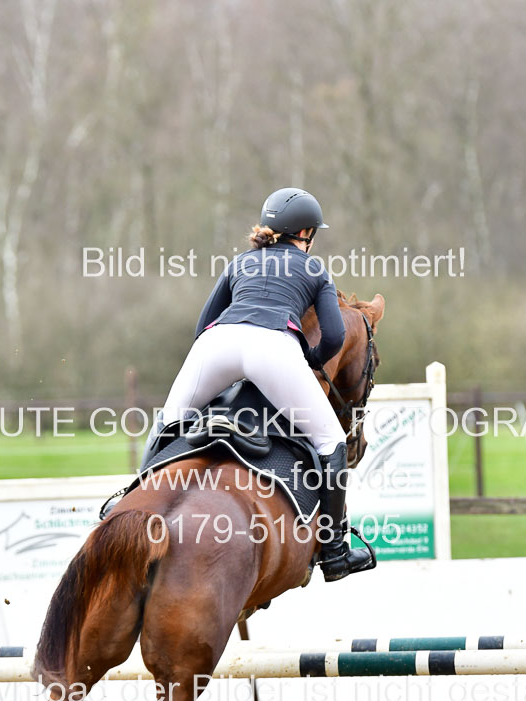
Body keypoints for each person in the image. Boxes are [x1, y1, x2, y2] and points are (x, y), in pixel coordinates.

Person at [140, 187, 375, 582]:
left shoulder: (240, 262)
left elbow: (203, 325)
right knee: (332, 441)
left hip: (216, 343)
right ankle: (335, 551)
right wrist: (310, 360)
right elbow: (335, 336)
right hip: (273, 347)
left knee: (168, 421)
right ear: (306, 232)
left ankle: (134, 509)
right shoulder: (315, 269)